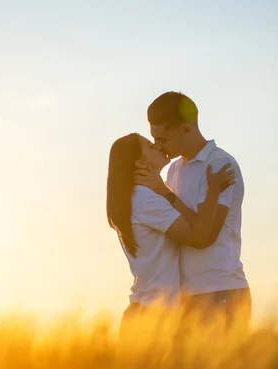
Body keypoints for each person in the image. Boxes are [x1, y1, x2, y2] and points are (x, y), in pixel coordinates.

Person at [136, 91, 251, 329]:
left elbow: (205, 235)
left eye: (163, 139)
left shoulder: (219, 165)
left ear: (187, 129)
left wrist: (164, 192)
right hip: (187, 297)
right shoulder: (174, 170)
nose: (158, 146)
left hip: (221, 292)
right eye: (154, 139)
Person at [106, 133, 234, 337]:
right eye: (149, 145)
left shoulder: (138, 197)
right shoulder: (145, 199)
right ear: (140, 162)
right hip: (154, 317)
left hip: (147, 313)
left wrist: (161, 188)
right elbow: (199, 236)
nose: (157, 145)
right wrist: (213, 190)